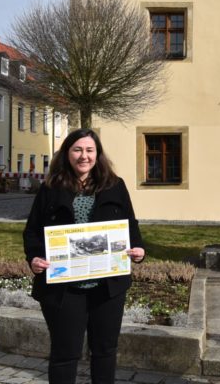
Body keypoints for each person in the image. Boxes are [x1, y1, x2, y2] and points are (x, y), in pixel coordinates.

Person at [23, 129, 145, 384]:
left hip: (107, 286)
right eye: (77, 150)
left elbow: (130, 225)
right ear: (67, 153)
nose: (84, 156)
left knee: (105, 351)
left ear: (97, 154)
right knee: (64, 353)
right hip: (64, 287)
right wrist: (34, 258)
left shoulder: (115, 185)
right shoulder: (51, 188)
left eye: (89, 150)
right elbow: (32, 230)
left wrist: (137, 250)